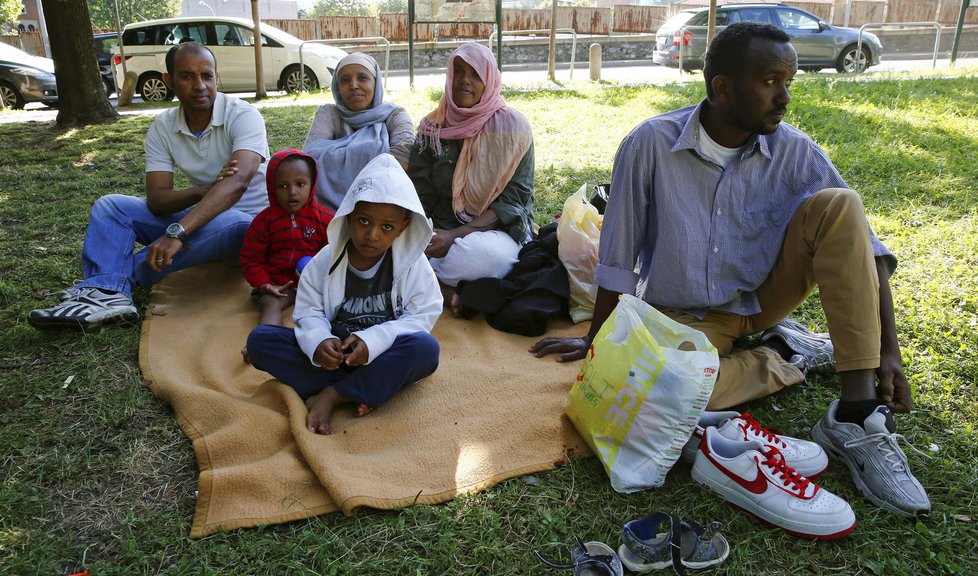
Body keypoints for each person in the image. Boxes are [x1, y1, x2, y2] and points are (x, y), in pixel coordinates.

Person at [530, 23, 930, 517]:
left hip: (764, 299)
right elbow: (617, 262)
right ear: (722, 87)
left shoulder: (796, 151)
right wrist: (600, 347)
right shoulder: (649, 145)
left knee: (840, 204)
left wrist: (888, 351)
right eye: (770, 81)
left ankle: (856, 410)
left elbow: (867, 250)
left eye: (789, 81)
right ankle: (786, 355)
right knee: (649, 405)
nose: (784, 97)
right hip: (686, 317)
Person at [28, 42, 268, 331]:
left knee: (235, 221)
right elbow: (157, 199)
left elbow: (236, 185)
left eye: (207, 75)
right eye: (187, 76)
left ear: (217, 77)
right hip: (201, 216)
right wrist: (200, 191)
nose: (200, 85)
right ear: (168, 81)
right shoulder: (163, 126)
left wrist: (177, 232)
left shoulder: (243, 115)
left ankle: (104, 288)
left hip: (249, 228)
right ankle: (111, 296)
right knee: (110, 206)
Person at [246, 154, 442, 435]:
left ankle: (333, 395)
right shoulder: (325, 260)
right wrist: (319, 342)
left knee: (425, 349)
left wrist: (372, 340)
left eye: (386, 227)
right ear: (349, 216)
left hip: (382, 355)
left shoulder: (413, 264)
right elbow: (308, 311)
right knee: (261, 341)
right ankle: (360, 389)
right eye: (364, 221)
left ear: (403, 227)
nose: (372, 235)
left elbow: (423, 315)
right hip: (332, 359)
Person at [408, 42, 535, 317]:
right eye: (458, 71)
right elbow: (420, 193)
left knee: (489, 259)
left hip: (489, 235)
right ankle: (438, 285)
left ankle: (425, 282)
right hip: (436, 233)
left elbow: (514, 202)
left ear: (489, 80)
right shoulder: (432, 128)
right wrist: (420, 235)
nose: (465, 81)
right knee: (388, 246)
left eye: (476, 74)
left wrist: (455, 236)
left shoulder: (513, 130)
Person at [303, 52, 414, 212]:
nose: (353, 85)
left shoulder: (394, 114)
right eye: (345, 80)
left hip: (381, 206)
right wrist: (370, 154)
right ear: (337, 87)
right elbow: (309, 158)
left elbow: (405, 155)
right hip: (326, 213)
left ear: (375, 83)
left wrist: (336, 158)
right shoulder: (330, 114)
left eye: (362, 78)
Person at [239, 148, 334, 329]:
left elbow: (335, 255)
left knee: (334, 310)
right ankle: (266, 340)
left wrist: (323, 279)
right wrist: (264, 284)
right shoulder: (264, 222)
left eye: (300, 184)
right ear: (272, 187)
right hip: (280, 287)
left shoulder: (325, 220)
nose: (292, 192)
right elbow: (251, 259)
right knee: (270, 304)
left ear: (312, 183)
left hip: (317, 286)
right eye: (282, 186)